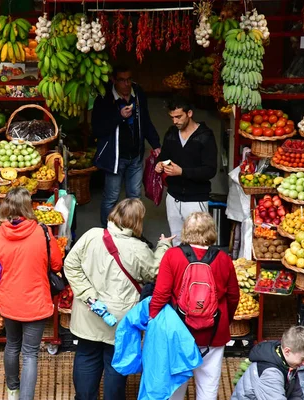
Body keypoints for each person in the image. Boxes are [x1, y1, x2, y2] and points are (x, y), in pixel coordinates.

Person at [64, 198, 174, 400]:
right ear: (138, 221)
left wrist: (88, 295)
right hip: (120, 319)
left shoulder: (91, 235)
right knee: (116, 363)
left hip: (88, 312)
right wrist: (164, 246)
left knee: (86, 356)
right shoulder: (139, 248)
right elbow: (154, 271)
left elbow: (70, 265)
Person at [149, 212, 240, 400]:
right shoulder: (223, 258)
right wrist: (224, 320)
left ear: (185, 230)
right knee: (208, 386)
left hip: (178, 330)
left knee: (175, 384)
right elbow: (233, 296)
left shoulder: (172, 256)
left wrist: (153, 318)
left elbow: (161, 294)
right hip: (214, 332)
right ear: (211, 231)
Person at [0, 187, 63, 400]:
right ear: (28, 206)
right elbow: (56, 263)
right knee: (30, 354)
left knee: (11, 345)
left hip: (9, 301)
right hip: (36, 303)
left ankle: (13, 390)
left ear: (6, 206)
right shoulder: (43, 232)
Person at [92, 64, 161, 228]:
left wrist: (156, 143)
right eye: (122, 80)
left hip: (136, 156)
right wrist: (119, 116)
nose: (126, 84)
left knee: (135, 197)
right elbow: (98, 129)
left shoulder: (138, 94)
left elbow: (145, 120)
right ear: (114, 80)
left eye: (129, 79)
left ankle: (134, 232)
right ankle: (107, 233)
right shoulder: (104, 99)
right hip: (115, 158)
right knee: (111, 197)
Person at [155, 97, 218, 245]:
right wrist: (159, 165)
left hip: (196, 200)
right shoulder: (171, 133)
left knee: (199, 244)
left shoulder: (205, 136)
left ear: (189, 113)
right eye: (172, 117)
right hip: (173, 198)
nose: (175, 121)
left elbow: (210, 171)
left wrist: (182, 172)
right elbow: (164, 157)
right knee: (176, 241)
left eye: (178, 117)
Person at [231, 326, 304, 400]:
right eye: (303, 358)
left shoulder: (287, 363)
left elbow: (296, 395)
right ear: (287, 351)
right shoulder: (270, 373)